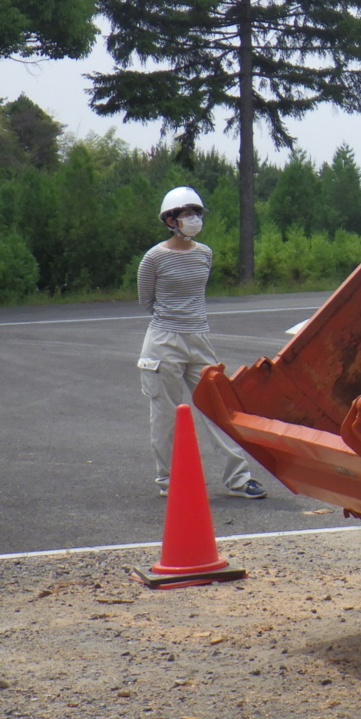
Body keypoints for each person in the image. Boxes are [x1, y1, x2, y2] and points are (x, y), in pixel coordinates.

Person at [136, 186, 265, 500]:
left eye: (196, 213)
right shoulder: (154, 258)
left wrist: (189, 324)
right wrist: (174, 320)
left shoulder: (205, 253)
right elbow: (146, 301)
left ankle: (238, 478)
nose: (193, 219)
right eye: (186, 214)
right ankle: (170, 481)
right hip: (164, 340)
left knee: (217, 407)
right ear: (170, 219)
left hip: (199, 338)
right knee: (165, 414)